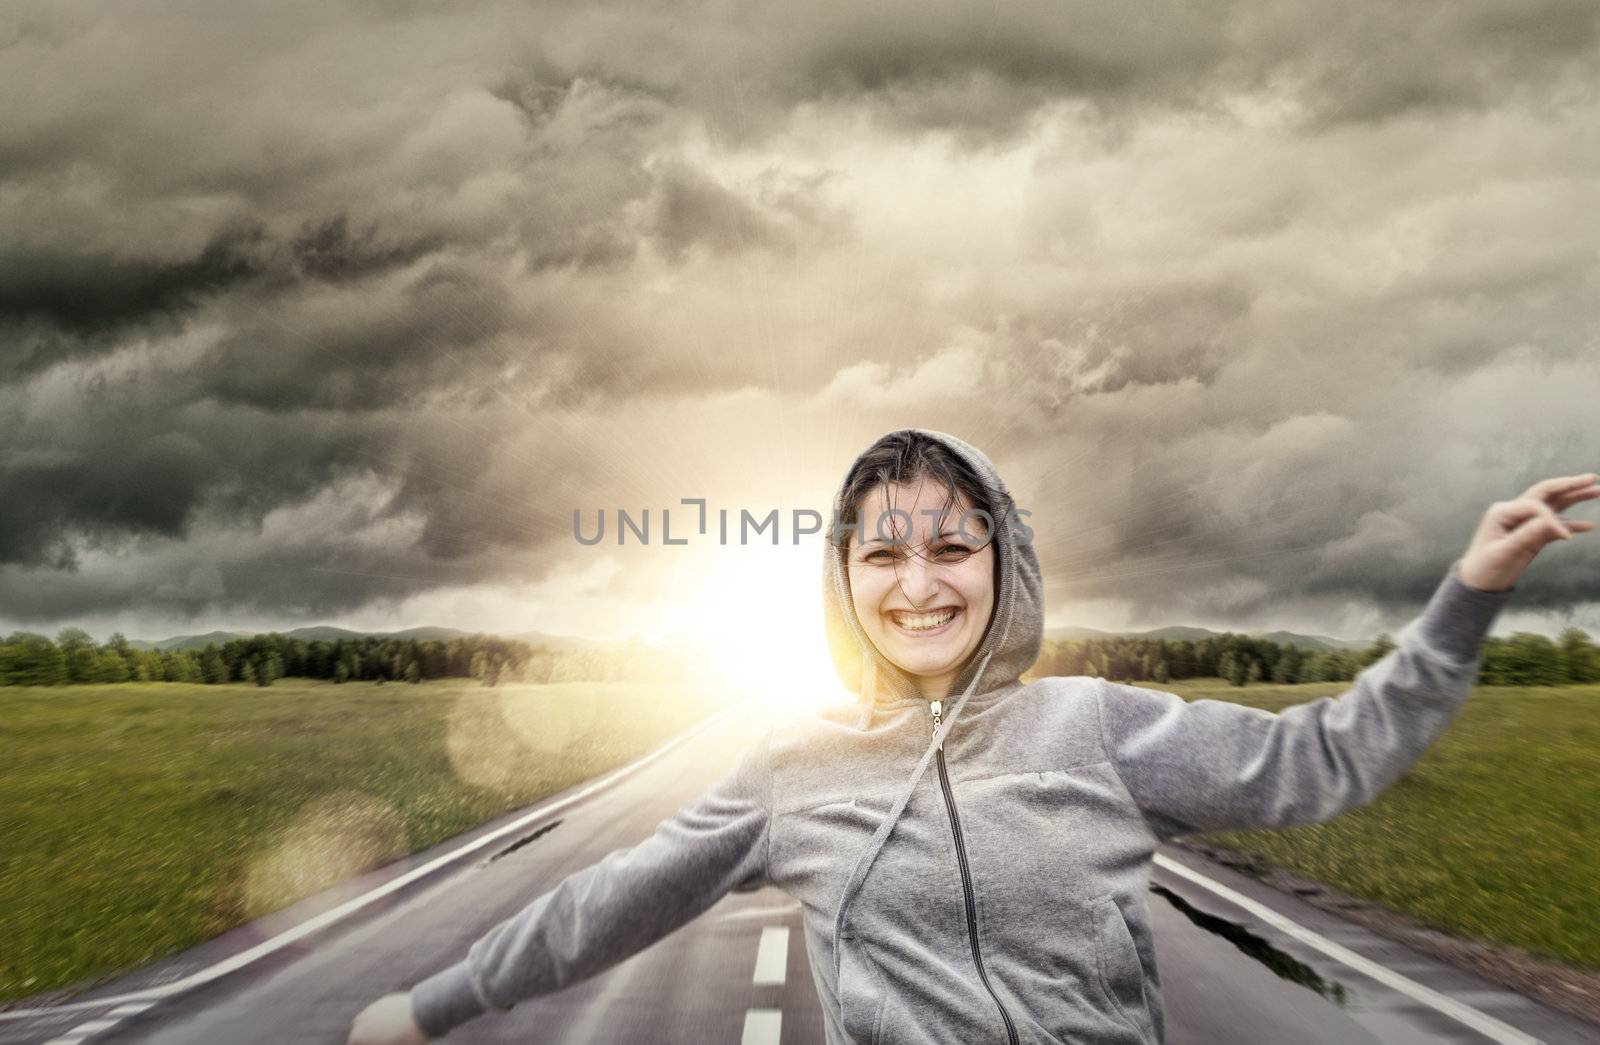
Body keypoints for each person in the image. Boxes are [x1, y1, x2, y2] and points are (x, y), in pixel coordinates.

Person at [349, 428, 1596, 1044]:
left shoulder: (1096, 728)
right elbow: (608, 905)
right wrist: (430, 1006)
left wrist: (1470, 591)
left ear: (1004, 560)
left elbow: (1327, 757)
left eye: (951, 545)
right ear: (845, 578)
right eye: (883, 552)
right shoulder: (792, 768)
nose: (920, 582)